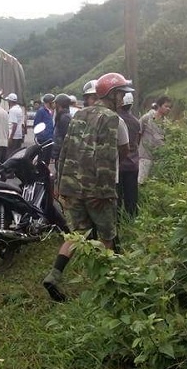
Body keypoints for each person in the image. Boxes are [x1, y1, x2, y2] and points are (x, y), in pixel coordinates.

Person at [41, 72, 132, 302]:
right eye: (121, 94)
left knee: (76, 234)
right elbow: (107, 156)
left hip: (72, 186)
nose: (124, 98)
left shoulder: (79, 114)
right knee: (107, 236)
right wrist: (105, 191)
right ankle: (106, 286)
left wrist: (60, 183)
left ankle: (54, 275)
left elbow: (64, 149)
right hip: (96, 188)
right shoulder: (112, 118)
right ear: (113, 94)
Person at [138, 95, 172, 184]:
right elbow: (138, 134)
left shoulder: (167, 124)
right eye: (166, 106)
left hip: (158, 159)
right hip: (144, 156)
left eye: (169, 107)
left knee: (153, 184)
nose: (168, 109)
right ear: (159, 106)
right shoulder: (146, 118)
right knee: (140, 182)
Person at [117, 91, 141, 217]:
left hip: (118, 165)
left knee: (117, 198)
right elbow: (137, 141)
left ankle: (118, 223)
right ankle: (132, 221)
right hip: (133, 164)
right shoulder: (136, 122)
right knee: (131, 197)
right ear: (131, 105)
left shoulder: (114, 119)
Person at [51, 93, 72, 167]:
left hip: (61, 154)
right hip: (60, 153)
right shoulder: (62, 116)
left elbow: (63, 138)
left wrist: (56, 153)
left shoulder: (64, 118)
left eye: (55, 103)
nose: (54, 105)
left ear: (59, 104)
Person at [33, 93, 55, 163]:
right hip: (43, 140)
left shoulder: (50, 112)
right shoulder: (41, 111)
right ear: (49, 103)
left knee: (47, 159)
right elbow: (36, 125)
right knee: (42, 159)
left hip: (50, 139)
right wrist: (41, 135)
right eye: (53, 102)